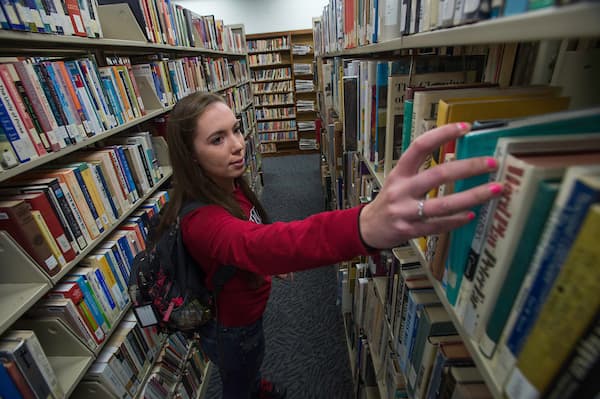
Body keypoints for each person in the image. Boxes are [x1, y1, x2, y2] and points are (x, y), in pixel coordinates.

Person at [158, 92, 503, 399]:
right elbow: (255, 243)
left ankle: (253, 384)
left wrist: (268, 264)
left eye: (235, 129)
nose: (237, 144)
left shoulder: (227, 182)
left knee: (251, 361)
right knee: (240, 370)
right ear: (190, 157)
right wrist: (362, 225)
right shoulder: (199, 220)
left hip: (247, 310)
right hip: (232, 326)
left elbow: (252, 233)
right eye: (217, 139)